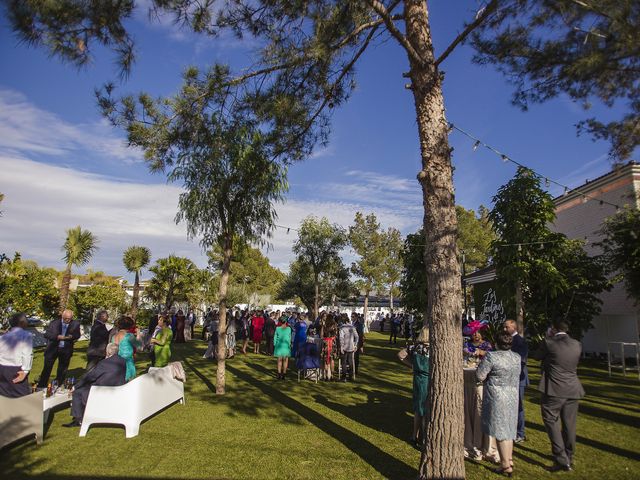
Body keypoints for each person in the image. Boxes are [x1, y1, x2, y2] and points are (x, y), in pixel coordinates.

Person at [534, 320, 585, 472]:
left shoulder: (549, 343)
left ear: (554, 329)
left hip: (554, 389)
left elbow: (537, 356)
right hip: (573, 389)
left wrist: (546, 338)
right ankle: (569, 456)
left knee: (551, 421)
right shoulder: (577, 344)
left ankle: (561, 458)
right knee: (570, 424)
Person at [476, 331, 521, 478]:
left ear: (496, 343)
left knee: (501, 430)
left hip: (497, 396)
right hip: (513, 396)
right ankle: (509, 459)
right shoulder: (517, 357)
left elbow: (480, 375)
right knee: (509, 429)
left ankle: (505, 464)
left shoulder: (492, 356)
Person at [63, 343, 126, 427]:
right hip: (117, 388)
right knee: (84, 389)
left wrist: (75, 386)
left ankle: (78, 419)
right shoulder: (122, 361)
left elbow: (90, 377)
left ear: (108, 352)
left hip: (102, 391)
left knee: (78, 392)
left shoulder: (104, 363)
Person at [398, 327, 430, 449]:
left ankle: (414, 435)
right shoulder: (432, 349)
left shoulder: (415, 347)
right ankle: (423, 440)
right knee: (425, 410)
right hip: (427, 379)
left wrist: (412, 365)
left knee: (418, 409)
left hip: (417, 378)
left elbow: (400, 355)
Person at [37, 309, 81, 388]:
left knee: (62, 370)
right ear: (62, 316)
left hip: (65, 349)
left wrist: (72, 336)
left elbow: (77, 335)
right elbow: (47, 334)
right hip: (53, 349)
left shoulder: (75, 324)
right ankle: (42, 385)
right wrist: (57, 337)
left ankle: (58, 385)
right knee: (47, 368)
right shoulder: (54, 323)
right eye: (66, 318)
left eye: (70, 319)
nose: (68, 320)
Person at [504, 319, 529, 443]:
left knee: (518, 406)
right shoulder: (506, 340)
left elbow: (522, 359)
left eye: (507, 327)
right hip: (508, 377)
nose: (505, 329)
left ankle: (520, 433)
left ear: (513, 328)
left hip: (519, 378)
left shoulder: (520, 341)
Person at [0, 312, 33, 398]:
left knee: (4, 395)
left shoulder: (3, 336)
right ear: (22, 323)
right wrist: (25, 371)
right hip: (16, 369)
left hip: (2, 368)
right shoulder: (26, 335)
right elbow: (27, 354)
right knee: (22, 397)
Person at [113, 316, 140, 382]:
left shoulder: (114, 336)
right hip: (128, 363)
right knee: (129, 384)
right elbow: (139, 347)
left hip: (115, 362)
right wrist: (138, 334)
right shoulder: (129, 336)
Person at [339, 317, 359, 382]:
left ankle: (344, 377)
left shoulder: (342, 328)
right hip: (351, 347)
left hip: (345, 346)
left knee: (344, 362)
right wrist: (355, 345)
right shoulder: (352, 327)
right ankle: (350, 376)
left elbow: (341, 338)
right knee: (350, 362)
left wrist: (341, 346)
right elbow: (357, 337)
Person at [322, 315, 338, 381]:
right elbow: (336, 334)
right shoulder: (334, 325)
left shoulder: (324, 325)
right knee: (332, 360)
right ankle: (331, 376)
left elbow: (321, 335)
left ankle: (326, 376)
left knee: (325, 360)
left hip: (326, 343)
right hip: (332, 343)